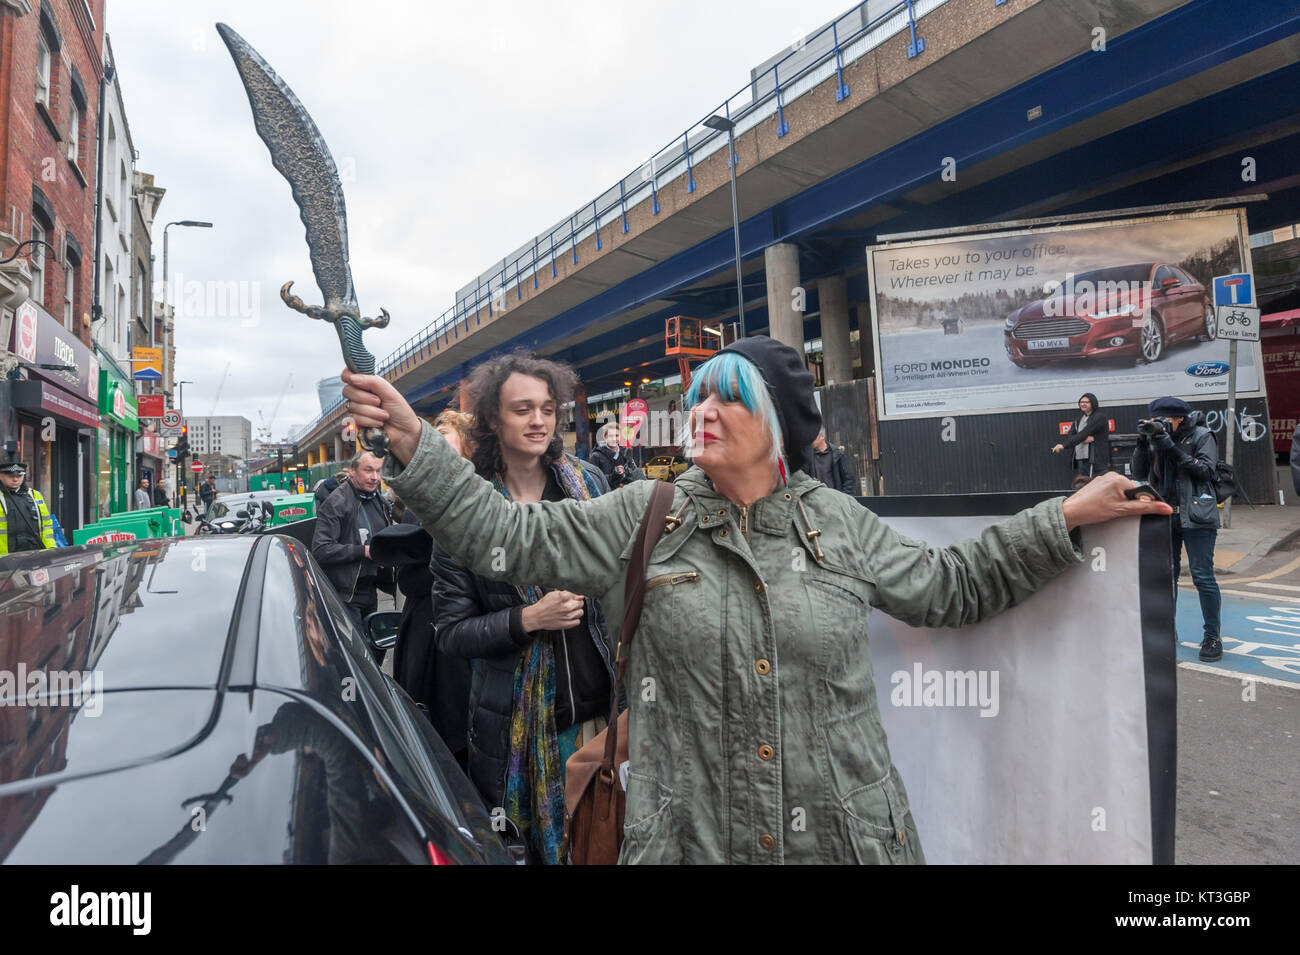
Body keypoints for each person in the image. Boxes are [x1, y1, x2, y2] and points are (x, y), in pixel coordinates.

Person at [341, 335, 1168, 865]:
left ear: (780, 425)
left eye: (728, 396)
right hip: (689, 842)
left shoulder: (838, 523)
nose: (703, 410)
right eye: (699, 394)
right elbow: (509, 538)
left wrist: (1063, 517)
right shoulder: (644, 514)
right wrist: (418, 446)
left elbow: (950, 588)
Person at [430, 353, 615, 865]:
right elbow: (451, 632)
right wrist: (526, 620)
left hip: (603, 718)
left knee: (610, 842)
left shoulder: (588, 488)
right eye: (523, 409)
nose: (539, 421)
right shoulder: (465, 511)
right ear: (493, 418)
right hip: (524, 728)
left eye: (548, 409)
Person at [373, 409, 474, 771]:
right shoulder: (423, 499)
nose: (434, 443)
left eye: (444, 434)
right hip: (430, 638)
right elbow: (409, 581)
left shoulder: (484, 502)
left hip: (464, 642)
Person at [1131, 396, 1222, 662]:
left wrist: (1169, 446)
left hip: (1196, 516)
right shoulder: (1153, 439)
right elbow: (1139, 472)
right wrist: (1141, 442)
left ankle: (1212, 637)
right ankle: (1165, 632)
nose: (1159, 424)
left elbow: (1205, 471)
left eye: (1164, 420)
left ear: (1179, 418)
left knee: (1202, 576)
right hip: (1165, 515)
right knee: (1165, 577)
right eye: (1154, 420)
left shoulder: (1203, 435)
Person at [311, 449, 396, 664]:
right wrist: (363, 551)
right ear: (352, 472)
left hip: (371, 589)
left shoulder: (379, 499)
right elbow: (321, 549)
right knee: (356, 657)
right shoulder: (336, 503)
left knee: (377, 648)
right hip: (346, 594)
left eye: (378, 471)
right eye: (368, 470)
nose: (375, 477)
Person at [0, 461, 57, 555]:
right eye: (10, 476)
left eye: (19, 476)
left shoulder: (35, 495)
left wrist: (50, 548)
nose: (15, 479)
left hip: (34, 554)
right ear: (1, 476)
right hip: (5, 558)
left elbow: (46, 525)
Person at [1052, 392, 1110, 478]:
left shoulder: (1099, 417)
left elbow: (1085, 433)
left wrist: (1064, 446)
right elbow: (1072, 435)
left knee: (1094, 483)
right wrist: (1082, 438)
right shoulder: (1079, 419)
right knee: (1083, 483)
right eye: (1081, 402)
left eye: (1086, 402)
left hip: (1094, 458)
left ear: (1093, 403)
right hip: (1080, 457)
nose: (1083, 404)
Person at [589, 422, 644, 489]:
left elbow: (634, 474)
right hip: (607, 496)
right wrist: (613, 476)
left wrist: (627, 472)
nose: (614, 439)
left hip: (626, 494)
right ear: (605, 437)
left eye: (617, 435)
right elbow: (593, 480)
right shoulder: (596, 456)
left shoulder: (626, 453)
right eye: (611, 436)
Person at [811, 428, 857, 494]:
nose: (810, 440)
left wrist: (842, 498)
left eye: (813, 437)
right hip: (816, 500)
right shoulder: (808, 457)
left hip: (834, 500)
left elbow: (849, 479)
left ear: (822, 436)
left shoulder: (838, 454)